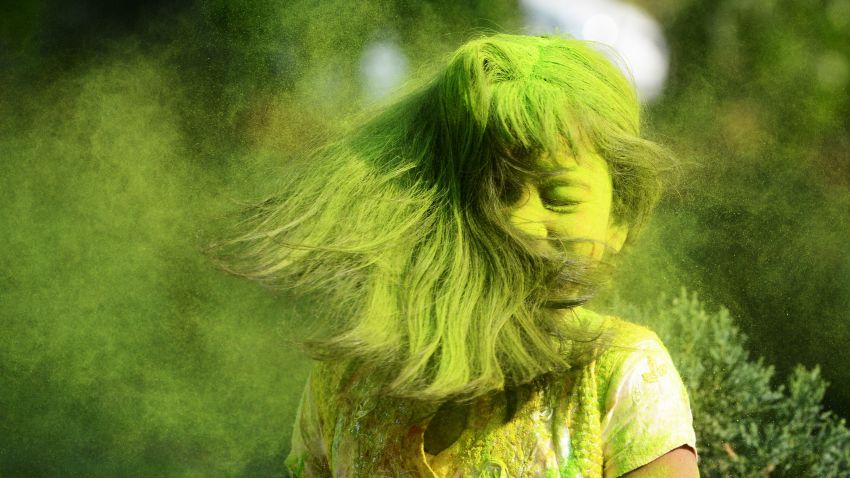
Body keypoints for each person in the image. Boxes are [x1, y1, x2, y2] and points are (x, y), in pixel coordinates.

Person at [217, 34, 698, 477]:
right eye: (494, 191)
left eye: (559, 196)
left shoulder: (622, 373)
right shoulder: (344, 382)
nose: (521, 222)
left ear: (619, 219)